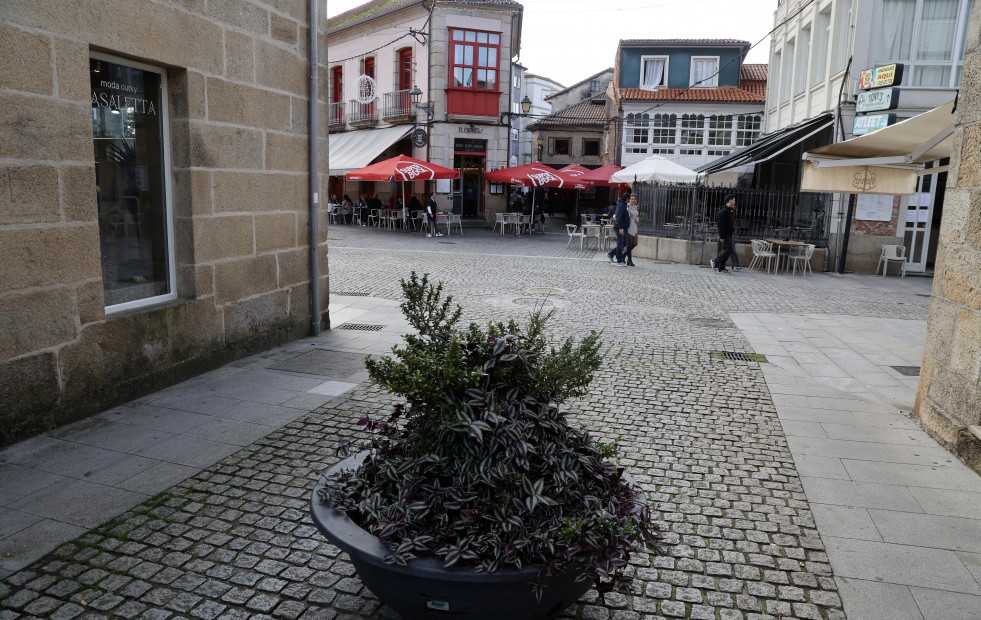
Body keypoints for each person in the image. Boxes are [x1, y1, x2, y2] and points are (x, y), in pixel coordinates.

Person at [710, 194, 737, 273]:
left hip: (729, 234)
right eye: (734, 200)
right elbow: (721, 226)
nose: (735, 202)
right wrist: (722, 236)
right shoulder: (723, 212)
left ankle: (721, 268)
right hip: (725, 235)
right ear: (730, 200)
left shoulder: (729, 211)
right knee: (729, 250)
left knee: (727, 250)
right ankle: (715, 261)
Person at [606, 192, 630, 266]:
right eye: (629, 199)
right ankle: (619, 260)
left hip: (624, 228)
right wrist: (620, 228)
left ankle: (611, 254)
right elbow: (618, 218)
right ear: (627, 199)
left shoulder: (624, 205)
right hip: (620, 227)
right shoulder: (621, 205)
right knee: (620, 244)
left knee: (624, 243)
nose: (630, 200)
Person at [625, 195, 639, 267]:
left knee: (635, 243)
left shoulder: (636, 207)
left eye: (634, 199)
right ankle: (629, 260)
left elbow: (636, 216)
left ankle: (624, 255)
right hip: (630, 226)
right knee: (630, 244)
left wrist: (637, 219)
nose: (632, 200)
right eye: (631, 199)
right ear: (629, 199)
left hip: (635, 226)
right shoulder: (627, 206)